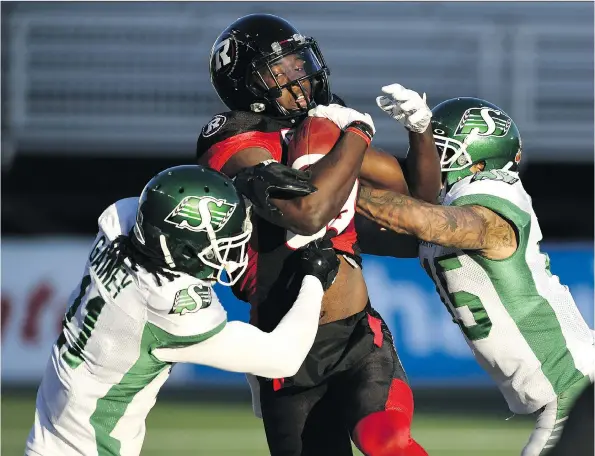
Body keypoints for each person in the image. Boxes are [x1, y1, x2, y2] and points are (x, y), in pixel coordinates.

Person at [197, 12, 440, 456]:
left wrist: (420, 131)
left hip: (355, 336)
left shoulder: (321, 124)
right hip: (283, 348)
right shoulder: (233, 140)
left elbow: (420, 201)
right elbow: (307, 214)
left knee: (386, 442)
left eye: (299, 63)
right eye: (281, 70)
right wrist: (355, 134)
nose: (300, 78)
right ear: (244, 85)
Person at [25, 164, 342, 456]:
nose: (230, 252)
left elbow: (165, 213)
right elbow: (283, 357)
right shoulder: (167, 303)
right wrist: (314, 277)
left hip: (49, 433)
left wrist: (235, 191)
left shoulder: (120, 222)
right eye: (223, 244)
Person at [356, 96, 595, 456]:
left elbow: (425, 221)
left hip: (575, 387)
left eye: (441, 153)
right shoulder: (452, 211)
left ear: (478, 162)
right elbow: (366, 232)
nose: (429, 164)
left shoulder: (490, 203)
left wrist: (343, 189)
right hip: (569, 392)